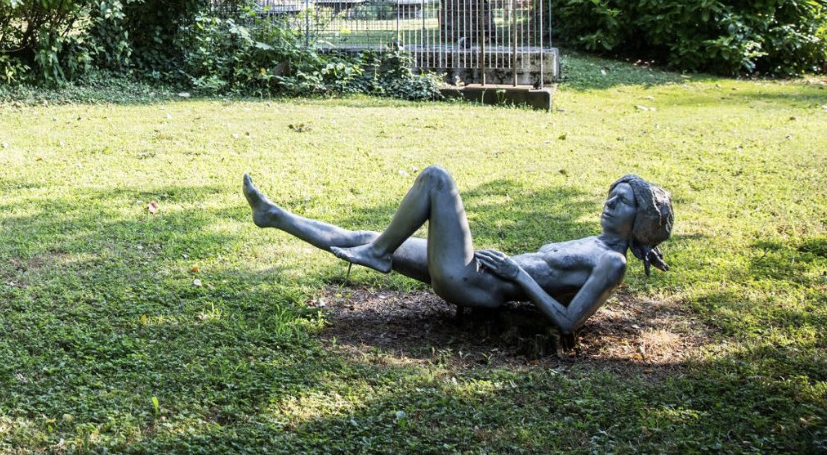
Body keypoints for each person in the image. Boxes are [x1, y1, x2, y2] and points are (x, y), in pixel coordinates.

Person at [243, 166, 673, 336]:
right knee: (363, 234)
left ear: (640, 222)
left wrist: (516, 273)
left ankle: (378, 252)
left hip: (476, 283)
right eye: (611, 194)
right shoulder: (596, 244)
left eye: (623, 202)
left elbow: (566, 323)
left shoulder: (611, 262)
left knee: (436, 179)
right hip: (475, 272)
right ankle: (276, 216)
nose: (610, 202)